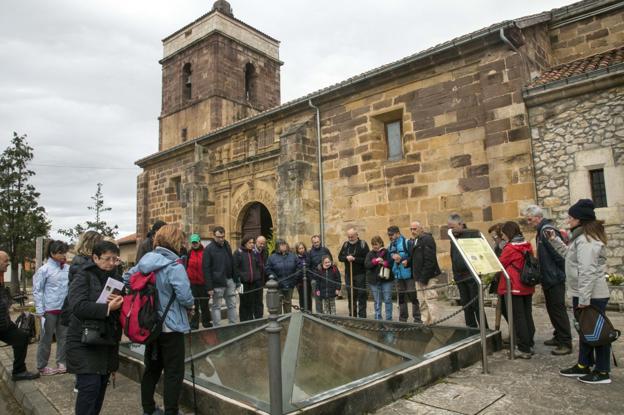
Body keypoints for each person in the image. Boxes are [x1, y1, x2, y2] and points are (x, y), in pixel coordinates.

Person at [124, 224, 195, 413]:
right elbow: (185, 297)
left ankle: (148, 408)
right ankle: (171, 411)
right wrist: (191, 306)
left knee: (152, 369)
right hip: (171, 327)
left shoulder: (145, 263)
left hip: (150, 325)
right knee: (173, 372)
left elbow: (127, 279)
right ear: (174, 241)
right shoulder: (174, 266)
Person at [552, 199, 612, 384]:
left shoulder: (587, 239)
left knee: (598, 333)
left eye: (570, 217)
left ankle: (602, 372)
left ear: (579, 219)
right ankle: (583, 365)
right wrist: (554, 241)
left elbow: (587, 270)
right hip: (584, 293)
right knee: (586, 331)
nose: (568, 220)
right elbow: (570, 258)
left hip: (591, 295)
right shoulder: (580, 237)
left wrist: (584, 298)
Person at [66, 241, 124, 415]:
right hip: (83, 340)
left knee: (99, 390)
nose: (112, 263)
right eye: (108, 259)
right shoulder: (83, 275)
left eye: (115, 259)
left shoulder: (116, 279)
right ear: (95, 258)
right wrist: (107, 308)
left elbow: (117, 314)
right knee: (89, 389)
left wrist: (121, 302)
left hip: (106, 341)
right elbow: (77, 306)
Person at [524, 205, 572, 356]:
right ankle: (558, 336)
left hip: (554, 277)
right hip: (549, 276)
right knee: (552, 309)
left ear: (538, 217)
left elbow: (559, 254)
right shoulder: (541, 231)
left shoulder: (546, 231)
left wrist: (558, 273)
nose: (529, 222)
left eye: (530, 219)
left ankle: (565, 342)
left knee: (557, 310)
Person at [497, 221, 535, 359]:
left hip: (514, 286)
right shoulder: (526, 245)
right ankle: (529, 343)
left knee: (519, 318)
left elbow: (500, 264)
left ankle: (524, 348)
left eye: (503, 234)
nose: (503, 237)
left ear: (508, 233)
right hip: (526, 285)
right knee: (527, 315)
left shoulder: (510, 248)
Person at [0, 251, 40, 381]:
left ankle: (19, 372)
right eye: (5, 261)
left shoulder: (1, 277)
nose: (7, 264)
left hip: (4, 323)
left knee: (21, 338)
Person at [33, 240, 70, 376]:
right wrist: (40, 310)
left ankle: (62, 362)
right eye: (60, 253)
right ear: (52, 253)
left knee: (64, 337)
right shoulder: (44, 270)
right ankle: (41, 366)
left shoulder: (68, 269)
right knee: (45, 339)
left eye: (64, 252)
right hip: (49, 310)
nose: (63, 255)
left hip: (64, 309)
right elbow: (38, 290)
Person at [448, 214, 488, 328]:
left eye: (452, 227)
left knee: (476, 305)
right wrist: (455, 274)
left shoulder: (472, 234)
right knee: (466, 305)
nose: (450, 230)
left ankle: (484, 330)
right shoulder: (453, 236)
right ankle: (471, 329)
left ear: (461, 224)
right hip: (460, 277)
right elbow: (453, 256)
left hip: (471, 276)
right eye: (449, 228)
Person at [202, 226, 238, 326]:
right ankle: (217, 327)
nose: (221, 239)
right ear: (214, 236)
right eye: (219, 237)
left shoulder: (227, 245)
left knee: (232, 304)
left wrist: (236, 280)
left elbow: (232, 262)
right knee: (216, 306)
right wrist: (209, 287)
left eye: (223, 236)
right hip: (217, 282)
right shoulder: (209, 249)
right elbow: (206, 269)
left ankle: (233, 325)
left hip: (229, 279)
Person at [407, 222, 441, 325]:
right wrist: (406, 262)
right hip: (418, 277)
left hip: (427, 277)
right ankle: (425, 322)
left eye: (415, 229)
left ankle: (435, 323)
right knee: (421, 302)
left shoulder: (427, 239)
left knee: (430, 301)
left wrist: (423, 279)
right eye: (411, 229)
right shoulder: (415, 240)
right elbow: (415, 258)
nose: (413, 231)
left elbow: (430, 261)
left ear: (421, 229)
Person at [387, 226, 421, 323]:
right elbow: (389, 261)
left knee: (413, 297)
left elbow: (413, 257)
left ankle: (417, 319)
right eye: (388, 235)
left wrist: (402, 259)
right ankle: (403, 319)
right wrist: (392, 258)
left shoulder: (407, 243)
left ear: (398, 233)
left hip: (408, 275)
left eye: (391, 235)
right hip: (398, 276)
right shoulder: (390, 246)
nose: (390, 237)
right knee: (401, 298)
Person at [338, 228, 369, 318]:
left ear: (356, 235)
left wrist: (355, 259)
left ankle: (362, 316)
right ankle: (352, 315)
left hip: (360, 274)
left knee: (361, 295)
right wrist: (346, 258)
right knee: (351, 295)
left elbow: (366, 259)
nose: (350, 238)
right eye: (349, 237)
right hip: (349, 274)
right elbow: (340, 257)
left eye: (352, 237)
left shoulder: (363, 244)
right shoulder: (346, 244)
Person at [234, 235, 263, 321]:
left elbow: (258, 265)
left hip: (254, 282)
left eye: (253, 242)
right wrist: (239, 278)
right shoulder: (238, 253)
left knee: (252, 301)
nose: (252, 244)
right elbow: (235, 268)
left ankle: (251, 319)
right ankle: (244, 321)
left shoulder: (254, 252)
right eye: (250, 243)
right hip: (243, 283)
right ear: (245, 243)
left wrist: (257, 276)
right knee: (244, 303)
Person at [266, 239, 299, 314]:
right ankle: (279, 322)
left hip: (290, 283)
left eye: (285, 244)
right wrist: (275, 279)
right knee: (277, 305)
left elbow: (298, 267)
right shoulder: (272, 257)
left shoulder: (293, 256)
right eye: (282, 244)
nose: (284, 246)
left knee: (288, 304)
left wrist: (294, 279)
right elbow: (268, 269)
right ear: (277, 246)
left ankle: (287, 321)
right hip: (278, 284)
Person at [365, 236, 393, 320]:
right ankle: (378, 318)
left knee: (388, 299)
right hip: (374, 281)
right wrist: (374, 262)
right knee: (377, 301)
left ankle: (389, 319)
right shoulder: (370, 254)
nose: (374, 246)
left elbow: (391, 264)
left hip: (386, 280)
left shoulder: (387, 252)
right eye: (373, 244)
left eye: (376, 244)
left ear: (380, 243)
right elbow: (366, 265)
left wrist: (384, 263)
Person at [186, 234, 211, 329]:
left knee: (204, 305)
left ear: (200, 241)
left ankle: (206, 322)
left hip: (203, 283)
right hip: (192, 284)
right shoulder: (189, 253)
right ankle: (194, 324)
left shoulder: (205, 252)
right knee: (194, 305)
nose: (195, 244)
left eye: (196, 242)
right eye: (193, 242)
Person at [307, 235, 332, 313]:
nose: (316, 243)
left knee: (327, 297)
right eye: (314, 242)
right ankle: (319, 314)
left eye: (317, 242)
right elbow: (308, 267)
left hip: (325, 278)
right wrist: (312, 278)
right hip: (315, 279)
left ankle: (328, 313)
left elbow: (331, 262)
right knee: (318, 298)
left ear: (320, 241)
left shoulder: (325, 250)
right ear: (312, 243)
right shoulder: (310, 253)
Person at [294, 242, 312, 312]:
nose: (301, 250)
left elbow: (310, 265)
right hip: (299, 280)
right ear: (297, 250)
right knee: (301, 297)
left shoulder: (308, 256)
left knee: (308, 296)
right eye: (299, 249)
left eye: (302, 248)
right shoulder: (295, 258)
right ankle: (302, 311)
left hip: (308, 279)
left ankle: (309, 311)